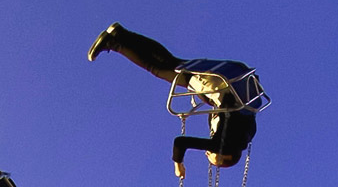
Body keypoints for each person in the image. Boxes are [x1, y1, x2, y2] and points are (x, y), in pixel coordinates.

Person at [87, 24, 261, 172]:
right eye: (212, 156)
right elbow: (181, 142)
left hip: (226, 85)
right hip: (223, 84)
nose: (207, 152)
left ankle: (119, 37)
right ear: (224, 155)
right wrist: (178, 164)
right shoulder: (226, 144)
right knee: (165, 66)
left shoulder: (239, 134)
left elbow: (226, 113)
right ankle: (116, 40)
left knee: (165, 65)